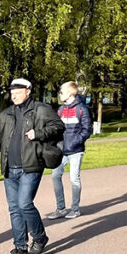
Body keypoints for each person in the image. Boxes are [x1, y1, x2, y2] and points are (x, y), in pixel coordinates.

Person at [0, 78, 64, 254]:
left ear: (28, 91)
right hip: (10, 168)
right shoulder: (6, 114)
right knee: (14, 208)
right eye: (12, 93)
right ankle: (20, 247)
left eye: (18, 92)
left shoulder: (40, 109)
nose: (14, 95)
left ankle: (40, 238)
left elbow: (58, 126)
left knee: (24, 204)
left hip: (31, 165)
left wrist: (38, 133)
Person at [47, 81, 92, 220]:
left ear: (70, 93)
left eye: (62, 92)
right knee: (55, 176)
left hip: (76, 150)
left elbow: (87, 130)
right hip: (61, 150)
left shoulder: (82, 109)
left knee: (74, 179)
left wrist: (75, 142)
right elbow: (57, 128)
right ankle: (60, 208)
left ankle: (75, 209)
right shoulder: (60, 109)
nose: (60, 95)